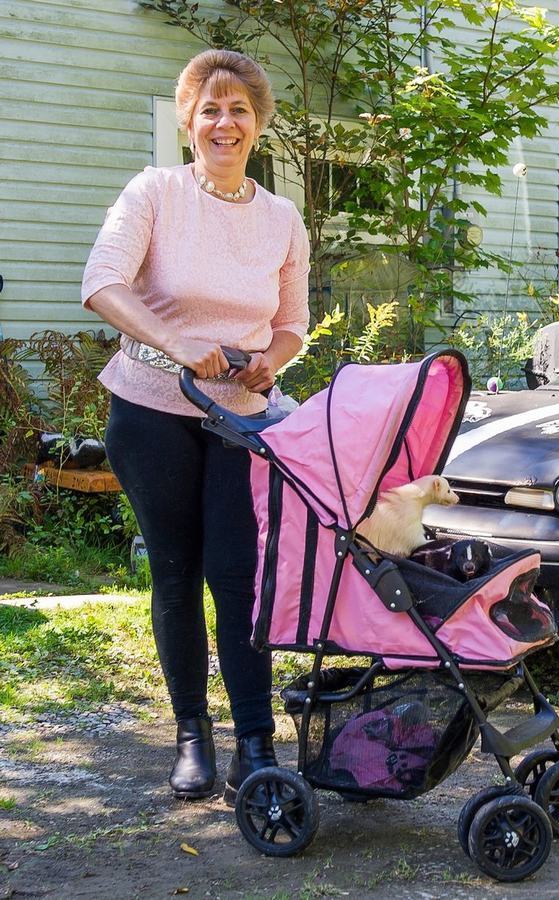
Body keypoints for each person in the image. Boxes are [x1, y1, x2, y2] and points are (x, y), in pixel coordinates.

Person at [81, 48, 310, 803]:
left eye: (239, 108)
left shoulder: (281, 218)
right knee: (175, 574)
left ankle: (256, 741)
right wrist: (175, 341)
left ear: (258, 124)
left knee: (239, 578)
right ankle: (191, 735)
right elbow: (102, 283)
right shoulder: (154, 193)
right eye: (209, 109)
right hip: (151, 412)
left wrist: (271, 362)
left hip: (238, 422)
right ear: (188, 122)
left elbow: (292, 325)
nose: (224, 122)